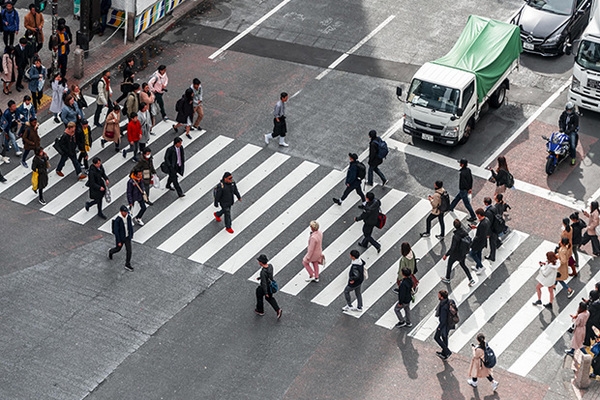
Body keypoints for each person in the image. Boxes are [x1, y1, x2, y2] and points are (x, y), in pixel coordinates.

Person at [443, 219, 475, 286]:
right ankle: (470, 279)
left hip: (455, 254)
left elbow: (452, 247)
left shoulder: (456, 236)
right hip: (462, 253)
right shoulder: (465, 232)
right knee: (463, 265)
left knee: (449, 265)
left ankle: (447, 278)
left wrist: (446, 254)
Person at [255, 254, 282, 319]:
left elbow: (264, 283)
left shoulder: (263, 272)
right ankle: (278, 309)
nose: (258, 262)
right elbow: (268, 277)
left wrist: (266, 292)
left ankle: (260, 310)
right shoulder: (270, 266)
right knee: (270, 298)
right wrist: (260, 278)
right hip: (270, 285)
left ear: (261, 262)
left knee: (259, 295)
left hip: (265, 288)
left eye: (259, 261)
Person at [449, 158, 476, 222]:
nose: (459, 164)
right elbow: (471, 180)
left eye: (460, 163)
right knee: (457, 198)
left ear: (462, 164)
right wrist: (470, 188)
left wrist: (467, 189)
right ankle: (451, 207)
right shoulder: (468, 170)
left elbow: (464, 183)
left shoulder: (462, 173)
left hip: (463, 190)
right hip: (465, 190)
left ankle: (473, 216)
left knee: (467, 204)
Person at [109, 205, 134, 272]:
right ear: (121, 212)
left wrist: (131, 234)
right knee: (118, 249)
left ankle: (127, 264)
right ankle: (111, 251)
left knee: (129, 251)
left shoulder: (128, 217)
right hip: (121, 237)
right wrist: (119, 241)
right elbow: (116, 232)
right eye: (124, 212)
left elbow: (130, 226)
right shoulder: (118, 220)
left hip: (127, 237)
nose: (125, 213)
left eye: (126, 212)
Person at [470, 208, 490, 275]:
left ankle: (481, 267)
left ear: (479, 215)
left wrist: (473, 242)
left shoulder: (482, 224)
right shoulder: (487, 220)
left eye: (477, 215)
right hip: (483, 242)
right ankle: (478, 266)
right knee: (478, 254)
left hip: (479, 243)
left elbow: (480, 236)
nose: (477, 216)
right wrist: (476, 227)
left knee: (472, 253)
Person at [434, 289, 452, 360]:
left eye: (439, 295)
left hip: (444, 325)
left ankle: (447, 351)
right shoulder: (448, 301)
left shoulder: (443, 306)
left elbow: (443, 320)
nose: (438, 296)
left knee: (436, 337)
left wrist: (439, 327)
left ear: (442, 297)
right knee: (445, 337)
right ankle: (444, 353)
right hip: (448, 323)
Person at [483, 197, 500, 262]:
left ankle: (492, 256)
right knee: (495, 239)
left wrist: (488, 233)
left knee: (492, 244)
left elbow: (488, 224)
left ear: (486, 203)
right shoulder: (494, 208)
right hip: (496, 227)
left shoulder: (488, 213)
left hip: (492, 230)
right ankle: (498, 243)